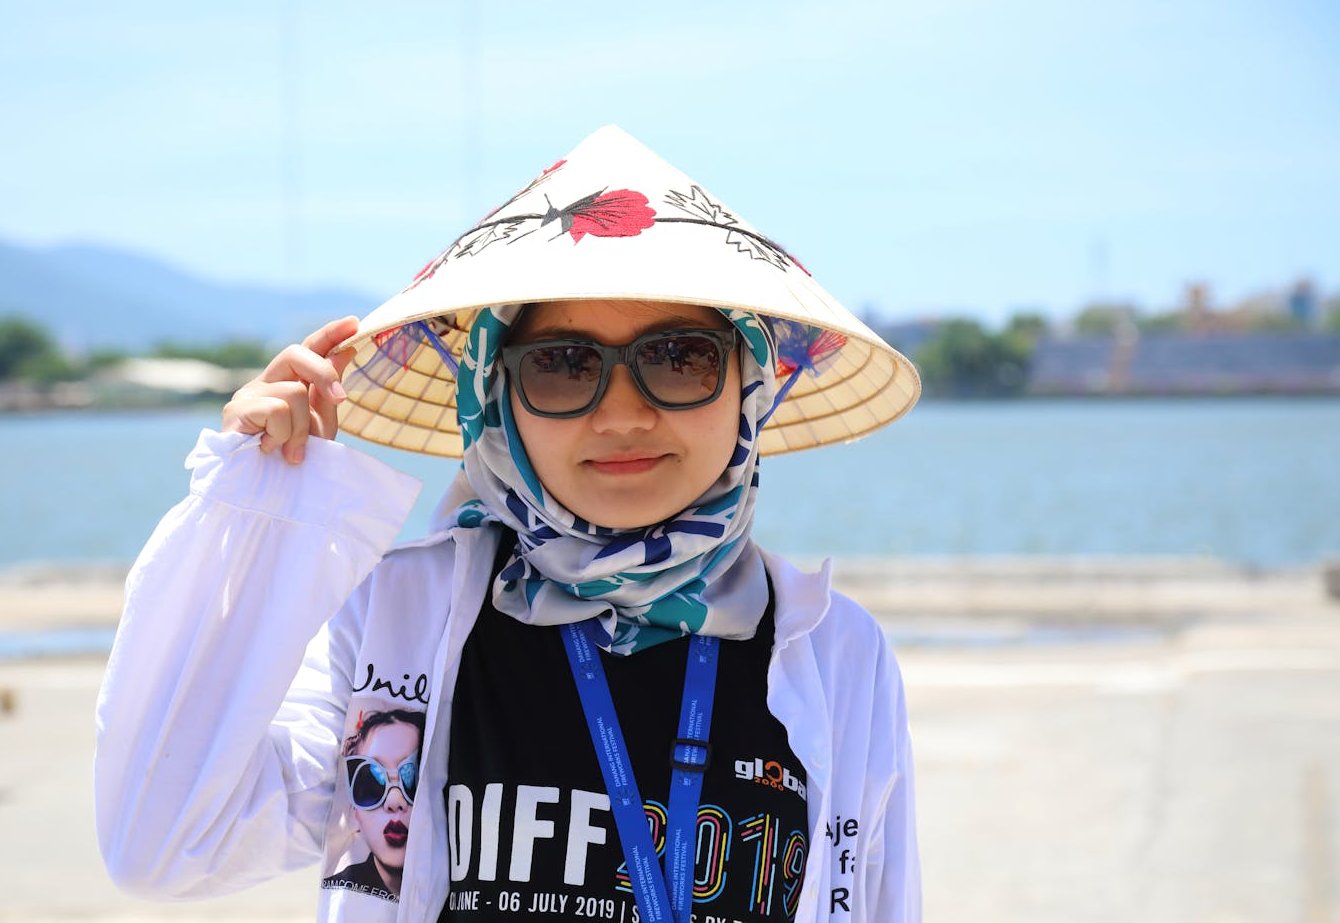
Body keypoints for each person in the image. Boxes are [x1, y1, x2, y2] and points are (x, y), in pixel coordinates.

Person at [96, 125, 923, 922]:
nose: (623, 415)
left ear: (749, 384)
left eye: (680, 358)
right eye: (562, 365)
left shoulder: (834, 653)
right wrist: (252, 517)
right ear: (493, 396)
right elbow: (166, 845)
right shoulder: (398, 616)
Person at [323, 707, 425, 900]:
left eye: (411, 777)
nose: (395, 801)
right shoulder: (337, 893)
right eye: (371, 783)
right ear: (354, 812)